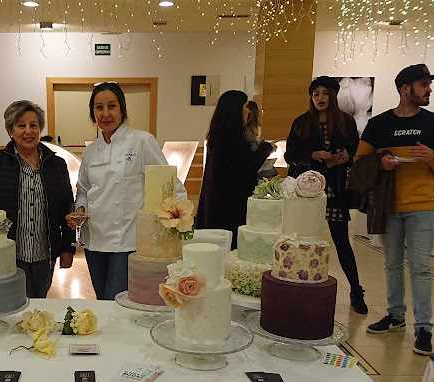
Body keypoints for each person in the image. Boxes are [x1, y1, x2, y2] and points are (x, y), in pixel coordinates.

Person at [357, 64, 434, 355]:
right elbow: (360, 161)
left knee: (420, 268)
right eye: (424, 85)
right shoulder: (380, 124)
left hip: (422, 206)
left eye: (428, 85)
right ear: (404, 89)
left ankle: (424, 328)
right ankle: (395, 316)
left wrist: (431, 156)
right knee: (392, 264)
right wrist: (382, 161)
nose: (429, 90)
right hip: (388, 205)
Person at [69, 82, 186, 300]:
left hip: (127, 240)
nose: (105, 113)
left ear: (122, 109)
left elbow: (170, 185)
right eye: (99, 107)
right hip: (94, 240)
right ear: (93, 113)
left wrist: (178, 223)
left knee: (116, 301)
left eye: (111, 106)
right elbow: (83, 190)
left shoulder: (142, 141)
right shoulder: (91, 151)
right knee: (102, 300)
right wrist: (81, 209)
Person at [285, 76, 368, 315]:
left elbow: (354, 151)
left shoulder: (346, 122)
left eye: (324, 93)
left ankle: (356, 290)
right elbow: (290, 155)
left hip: (334, 187)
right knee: (301, 238)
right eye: (315, 94)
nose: (320, 98)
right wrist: (314, 154)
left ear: (333, 95)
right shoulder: (301, 122)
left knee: (341, 241)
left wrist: (344, 157)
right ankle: (296, 286)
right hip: (306, 189)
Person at [0, 100, 75, 298]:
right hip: (7, 253)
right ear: (10, 131)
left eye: (34, 125)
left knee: (39, 302)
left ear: (40, 129)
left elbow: (67, 207)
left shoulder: (57, 164)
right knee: (10, 302)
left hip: (45, 254)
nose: (28, 131)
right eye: (21, 125)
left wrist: (68, 247)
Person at [195, 90, 273, 248]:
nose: (248, 111)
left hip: (219, 202)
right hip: (231, 204)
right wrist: (265, 148)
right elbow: (247, 168)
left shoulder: (219, 135)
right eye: (244, 107)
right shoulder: (232, 137)